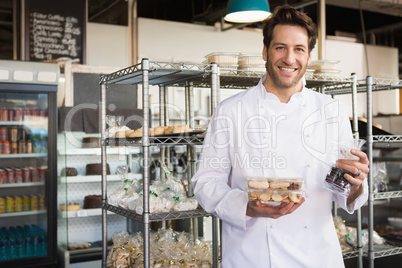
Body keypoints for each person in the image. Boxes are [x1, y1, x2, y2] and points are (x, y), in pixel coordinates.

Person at [191, 5, 369, 268]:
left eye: (299, 49)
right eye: (280, 47)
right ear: (265, 51)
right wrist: (246, 206)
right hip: (253, 256)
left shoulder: (330, 110)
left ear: (309, 56)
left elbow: (341, 189)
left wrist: (354, 185)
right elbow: (206, 183)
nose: (289, 58)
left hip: (318, 256)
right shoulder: (231, 110)